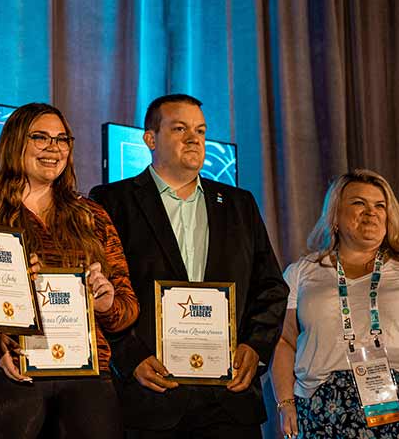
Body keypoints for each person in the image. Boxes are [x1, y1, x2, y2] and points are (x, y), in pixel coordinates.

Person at [89, 93, 288, 439]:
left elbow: (271, 287)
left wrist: (254, 348)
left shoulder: (239, 204)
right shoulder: (111, 201)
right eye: (179, 128)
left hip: (230, 401)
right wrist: (130, 357)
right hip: (151, 396)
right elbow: (101, 293)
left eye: (200, 130)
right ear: (150, 139)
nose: (194, 138)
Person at [0, 102, 138, 438]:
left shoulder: (92, 215)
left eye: (62, 140)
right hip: (11, 372)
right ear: (15, 143)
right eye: (40, 138)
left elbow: (128, 310)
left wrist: (106, 303)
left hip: (87, 376)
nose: (53, 148)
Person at [272, 169, 399, 439]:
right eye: (358, 203)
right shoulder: (302, 271)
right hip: (320, 408)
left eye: (380, 205)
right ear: (336, 216)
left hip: (392, 403)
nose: (371, 212)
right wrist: (285, 403)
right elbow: (285, 341)